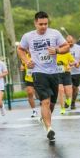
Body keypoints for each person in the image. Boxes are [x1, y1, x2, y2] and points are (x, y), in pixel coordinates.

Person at [17, 11, 69, 141]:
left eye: (46, 24)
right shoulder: (28, 36)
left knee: (51, 103)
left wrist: (57, 50)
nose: (43, 26)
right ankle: (49, 129)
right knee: (44, 101)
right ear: (35, 23)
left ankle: (44, 118)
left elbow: (66, 46)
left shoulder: (55, 33)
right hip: (38, 72)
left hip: (53, 72)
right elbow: (20, 49)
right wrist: (26, 61)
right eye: (41, 24)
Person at [68, 35, 80, 109]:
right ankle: (68, 101)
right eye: (68, 42)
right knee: (69, 87)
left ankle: (73, 102)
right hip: (67, 71)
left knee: (75, 88)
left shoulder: (78, 48)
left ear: (74, 41)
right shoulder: (64, 48)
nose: (70, 43)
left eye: (71, 42)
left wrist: (79, 63)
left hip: (77, 71)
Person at [56, 50, 75, 114]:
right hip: (57, 74)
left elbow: (73, 62)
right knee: (60, 90)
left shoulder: (67, 54)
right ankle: (62, 108)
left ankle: (68, 100)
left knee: (68, 91)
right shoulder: (54, 54)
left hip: (66, 73)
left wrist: (70, 65)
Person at [20, 53, 38, 118]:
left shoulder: (37, 55)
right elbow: (23, 65)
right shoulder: (25, 56)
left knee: (39, 95)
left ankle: (45, 109)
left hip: (38, 78)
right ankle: (34, 110)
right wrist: (22, 67)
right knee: (30, 93)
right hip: (29, 78)